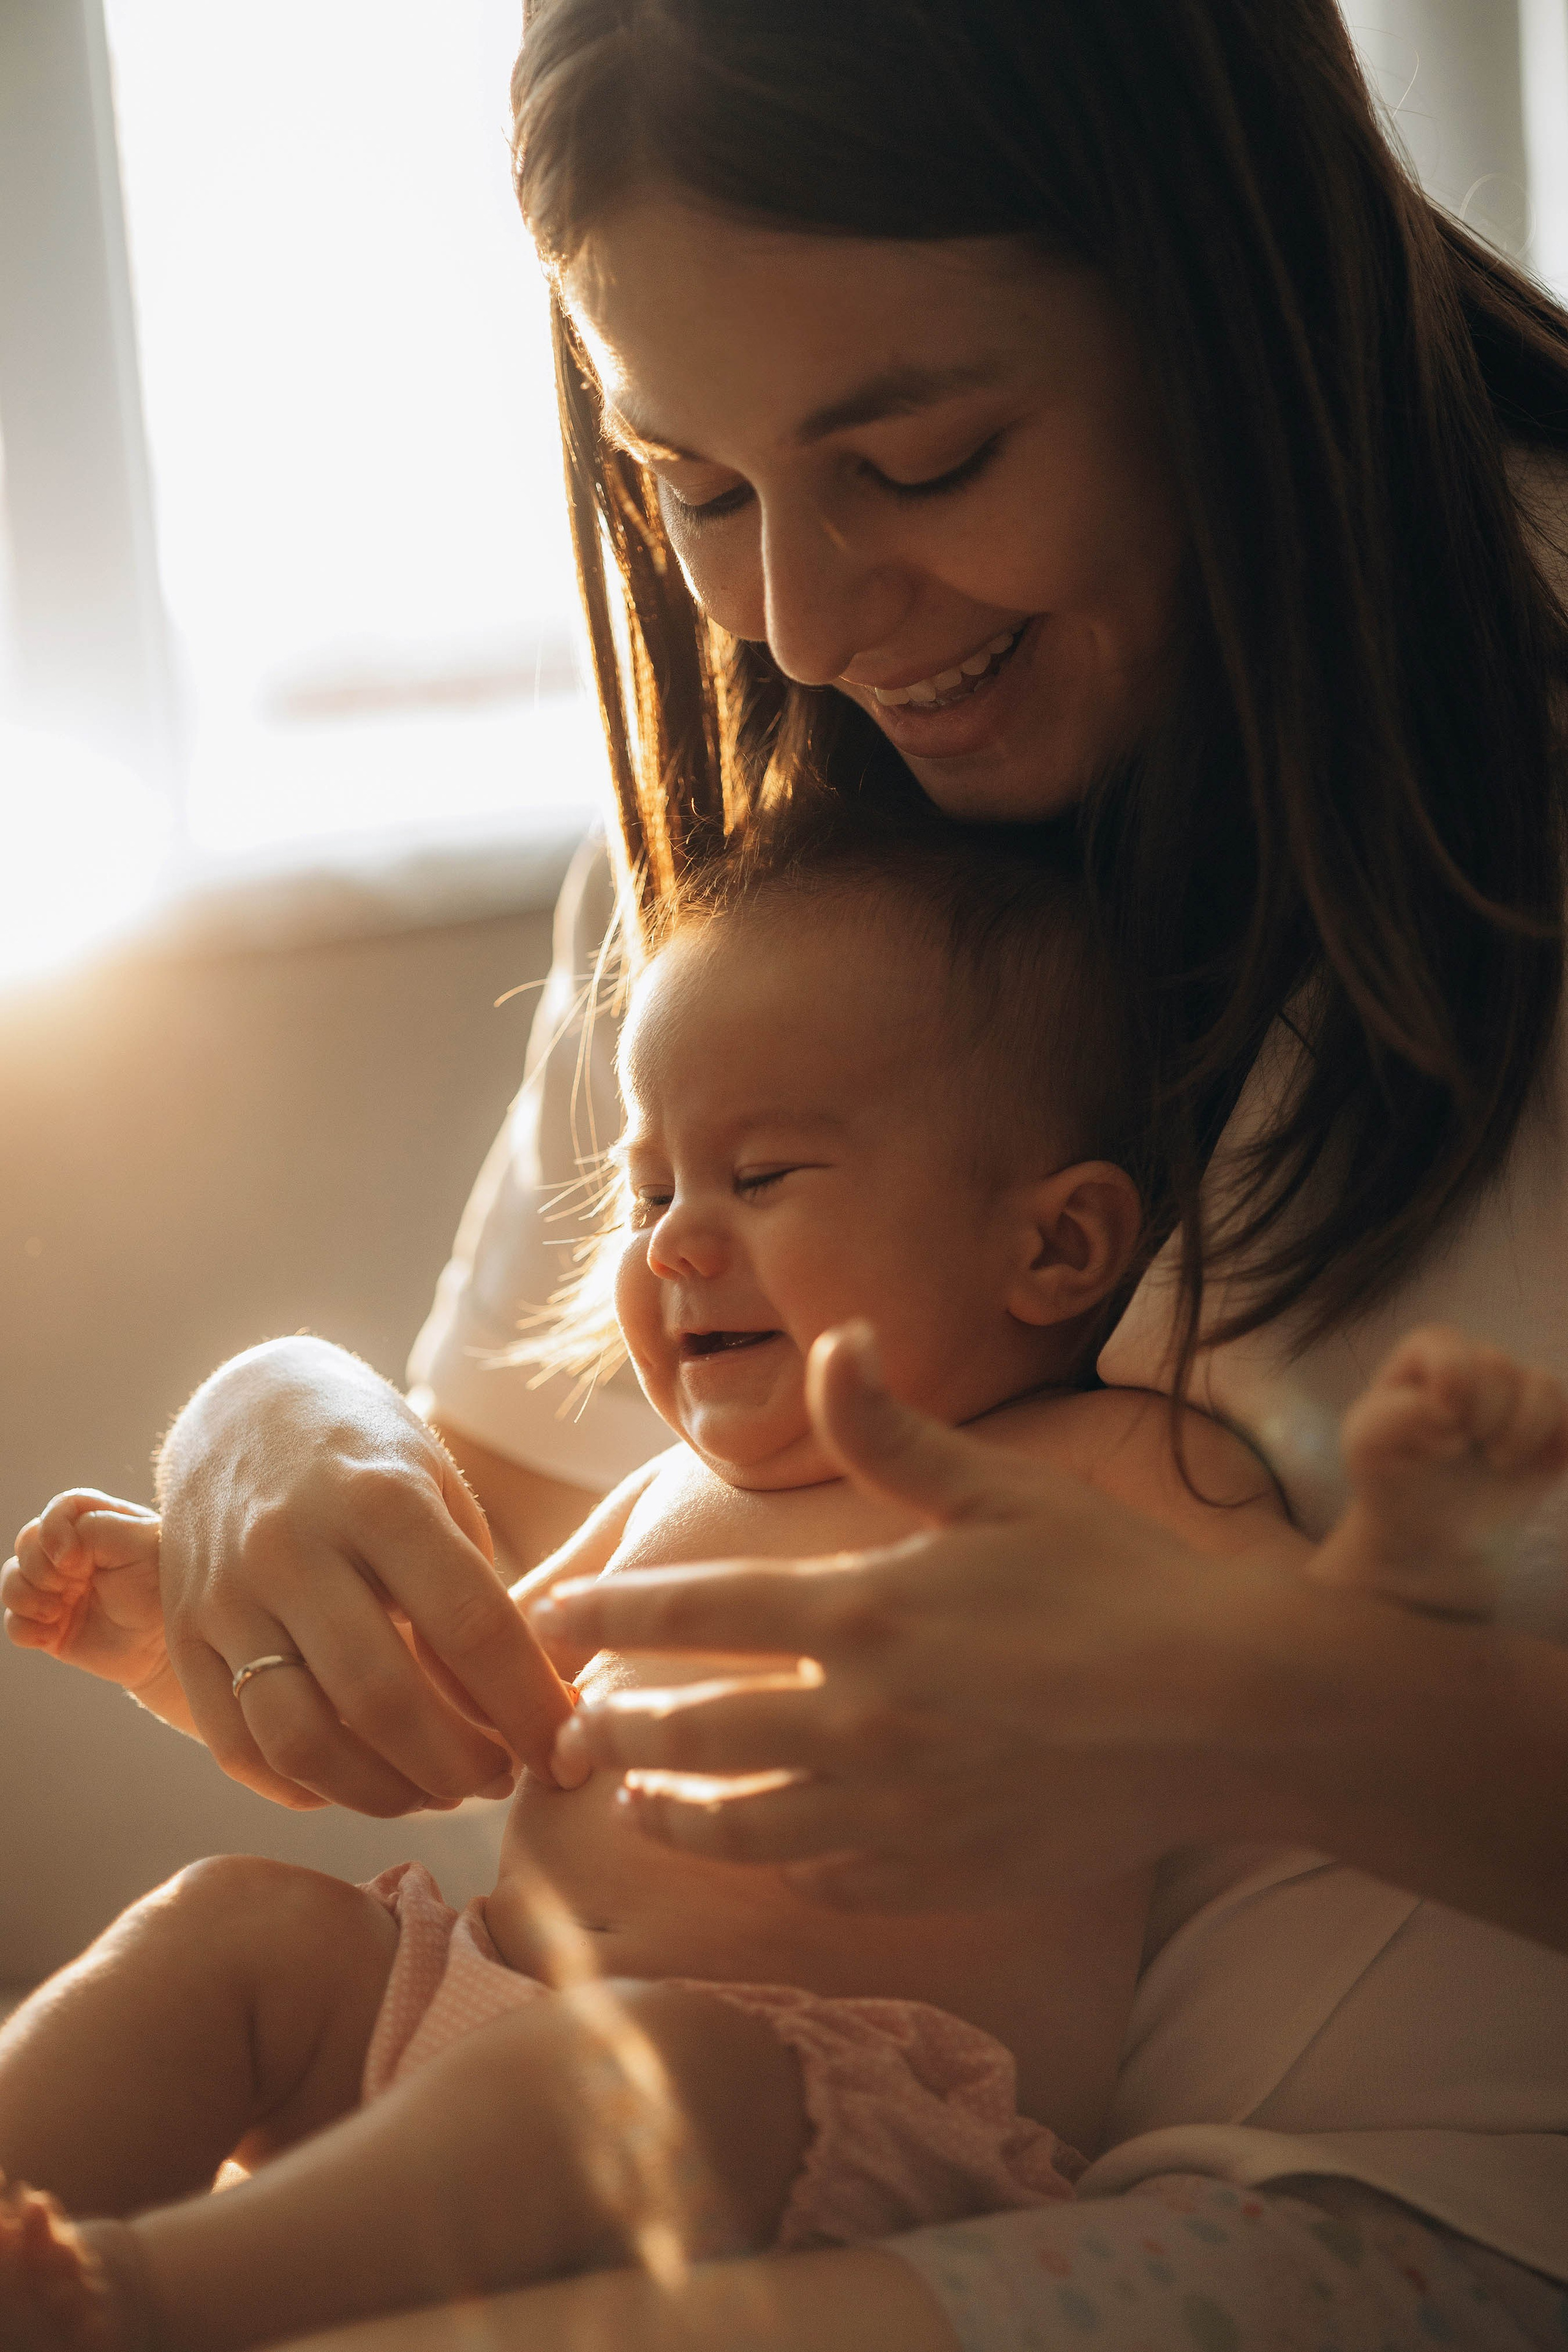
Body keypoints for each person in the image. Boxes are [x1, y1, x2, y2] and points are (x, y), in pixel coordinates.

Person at [24, 0, 1568, 2342]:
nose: (809, 626)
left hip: (1405, 2205)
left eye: (927, 459)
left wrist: (1259, 1702)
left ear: (1230, 301)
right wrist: (278, 1438)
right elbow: (552, 1564)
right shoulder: (793, 819)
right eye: (694, 488)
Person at [6, 821, 1563, 2352]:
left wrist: (1413, 1539)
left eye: (756, 1174)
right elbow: (469, 1707)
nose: (675, 1243)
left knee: (621, 2071)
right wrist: (187, 1654)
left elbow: (1294, 1662)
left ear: (1054, 1246)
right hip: (479, 2008)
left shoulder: (1106, 1466)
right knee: (230, 1928)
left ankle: (139, 2303)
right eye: (645, 1191)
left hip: (806, 2118)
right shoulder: (667, 1494)